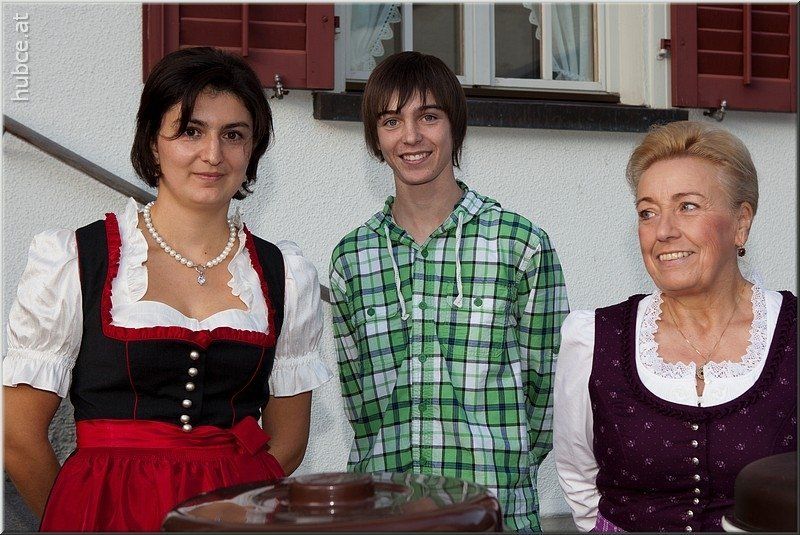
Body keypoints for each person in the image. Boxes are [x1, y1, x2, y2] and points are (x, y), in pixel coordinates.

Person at [2, 46, 332, 532]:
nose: (213, 154)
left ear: (252, 151)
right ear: (153, 143)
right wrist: (78, 517)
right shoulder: (78, 261)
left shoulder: (284, 275)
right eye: (191, 131)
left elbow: (288, 440)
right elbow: (18, 437)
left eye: (233, 135)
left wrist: (236, 504)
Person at [328, 51, 569, 532]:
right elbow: (359, 404)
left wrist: (502, 466)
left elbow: (548, 394)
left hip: (494, 514)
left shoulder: (519, 244)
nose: (411, 136)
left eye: (429, 117)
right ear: (375, 138)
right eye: (391, 121)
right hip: (386, 517)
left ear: (455, 126)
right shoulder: (352, 258)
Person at [554, 121, 796, 532]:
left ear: (741, 222)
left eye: (687, 206)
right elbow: (579, 477)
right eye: (648, 213)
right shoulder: (593, 337)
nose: (663, 231)